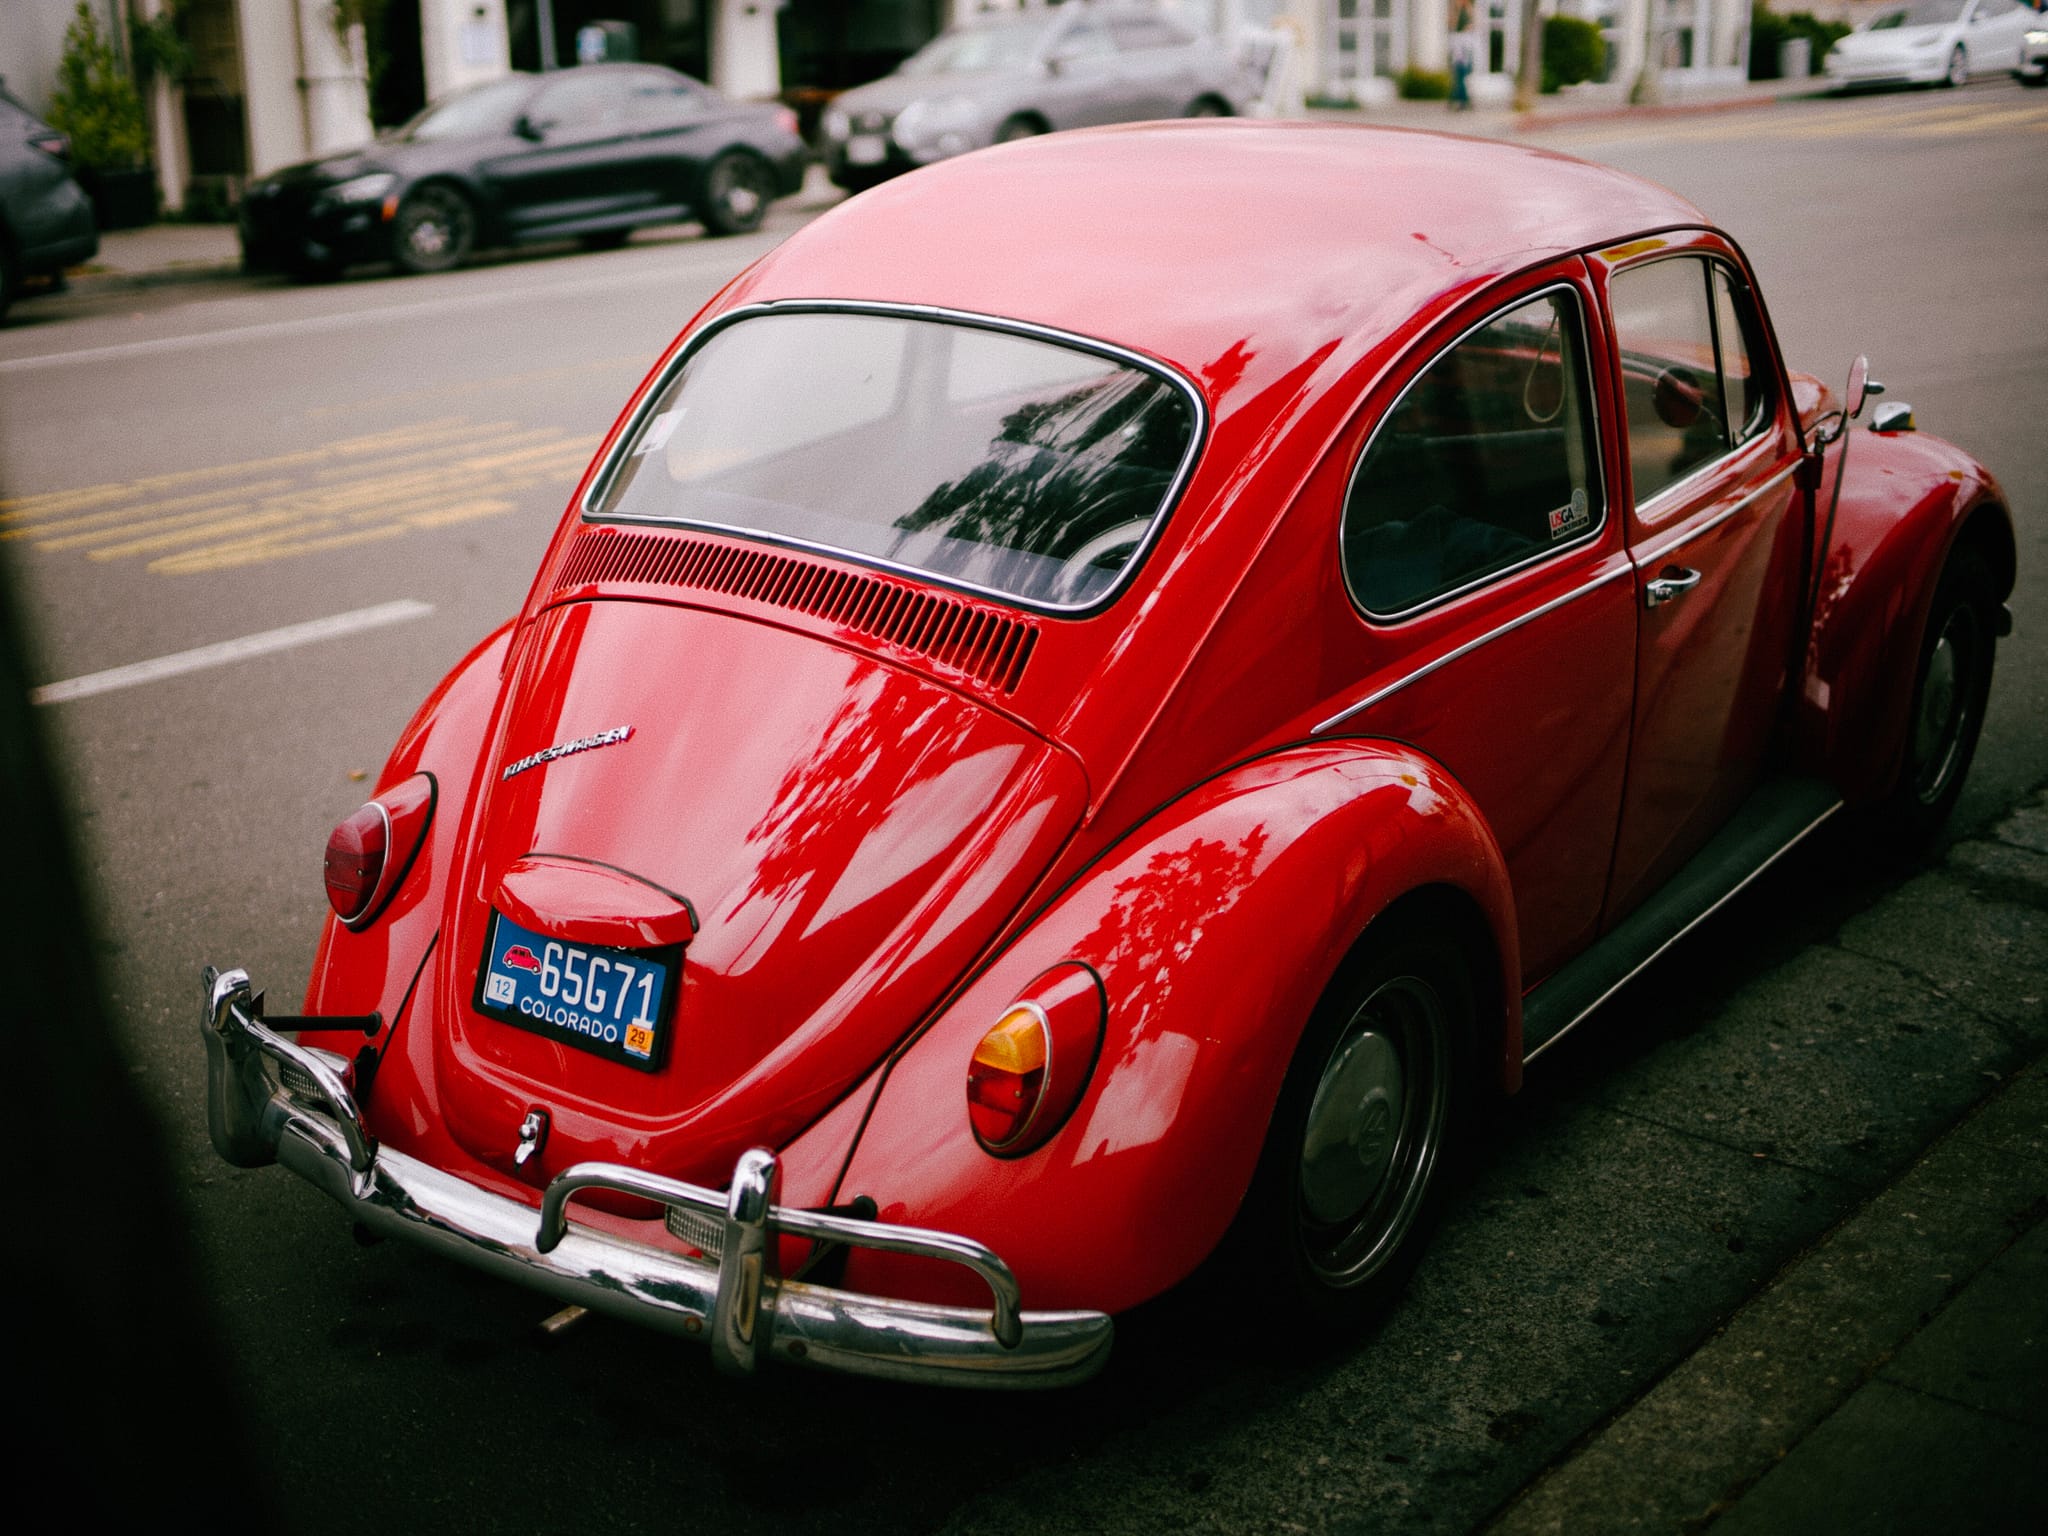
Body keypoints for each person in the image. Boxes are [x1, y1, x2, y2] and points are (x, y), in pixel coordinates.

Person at [1448, 1, 1475, 111]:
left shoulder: (1468, 11)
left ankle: (1458, 100)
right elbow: (1451, 24)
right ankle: (1462, 101)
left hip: (1464, 48)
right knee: (1459, 76)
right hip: (1458, 48)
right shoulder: (1456, 12)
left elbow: (1473, 24)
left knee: (1461, 76)